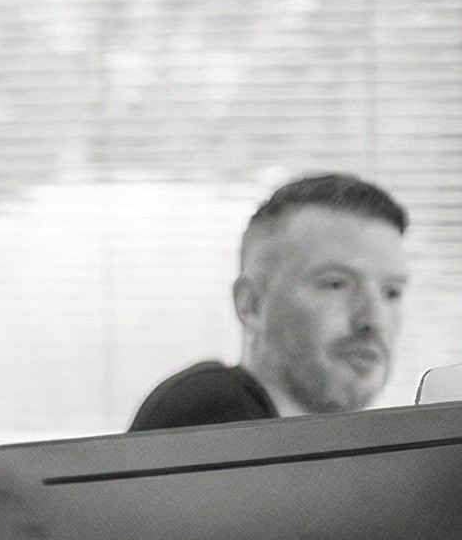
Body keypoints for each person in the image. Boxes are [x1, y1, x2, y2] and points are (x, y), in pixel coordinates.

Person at [131, 172, 410, 430]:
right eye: (335, 284)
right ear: (251, 305)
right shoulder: (206, 415)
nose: (375, 320)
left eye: (392, 292)